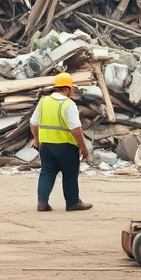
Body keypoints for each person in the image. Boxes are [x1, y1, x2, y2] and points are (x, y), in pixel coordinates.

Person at [30, 72, 93, 212]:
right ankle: (72, 202)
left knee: (47, 171)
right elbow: (75, 128)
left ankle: (42, 202)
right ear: (66, 89)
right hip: (65, 145)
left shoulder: (44, 101)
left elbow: (33, 123)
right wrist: (82, 146)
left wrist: (36, 139)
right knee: (70, 173)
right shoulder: (68, 104)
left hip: (45, 145)